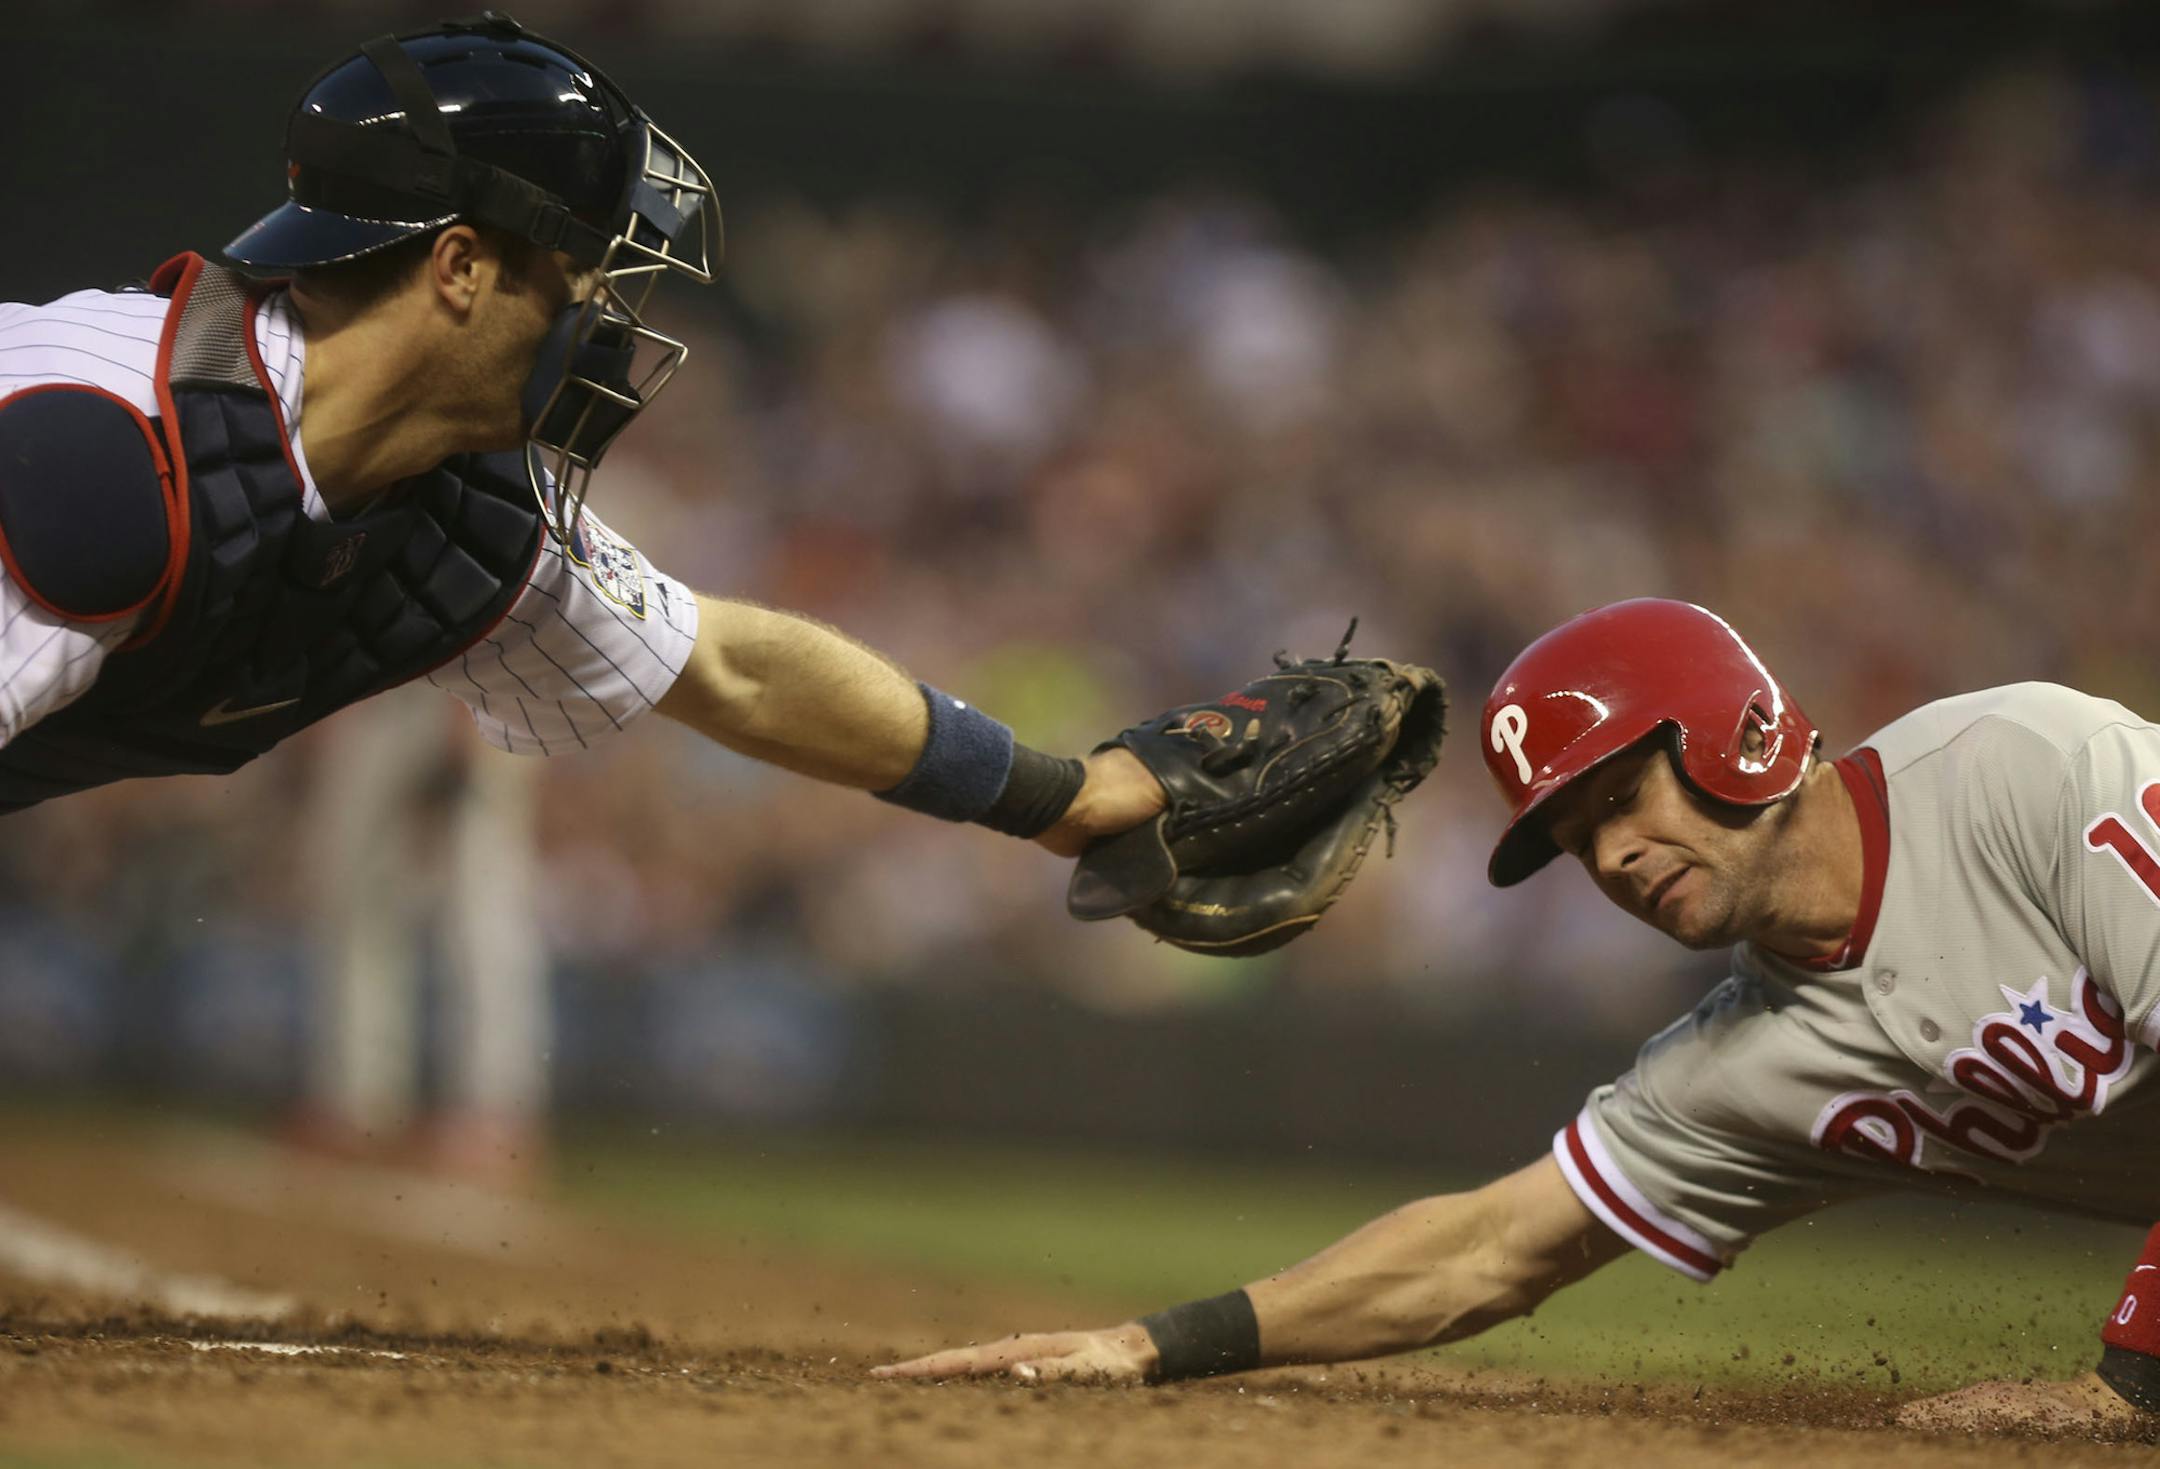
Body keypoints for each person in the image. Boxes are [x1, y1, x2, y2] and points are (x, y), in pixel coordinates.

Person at [877, 597, 2160, 1436]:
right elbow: (1487, 1250)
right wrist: (1147, 1344)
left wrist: (2131, 1388)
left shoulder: (2019, 771)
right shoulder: (1739, 1064)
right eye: (1571, 837)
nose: (1606, 857)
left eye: (1616, 797)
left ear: (1740, 732)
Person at [0, 18, 1161, 867]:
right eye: (586, 274)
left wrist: (1061, 797)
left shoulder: (453, 515)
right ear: (459, 266)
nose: (609, 319)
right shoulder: (98, 451)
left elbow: (732, 670)